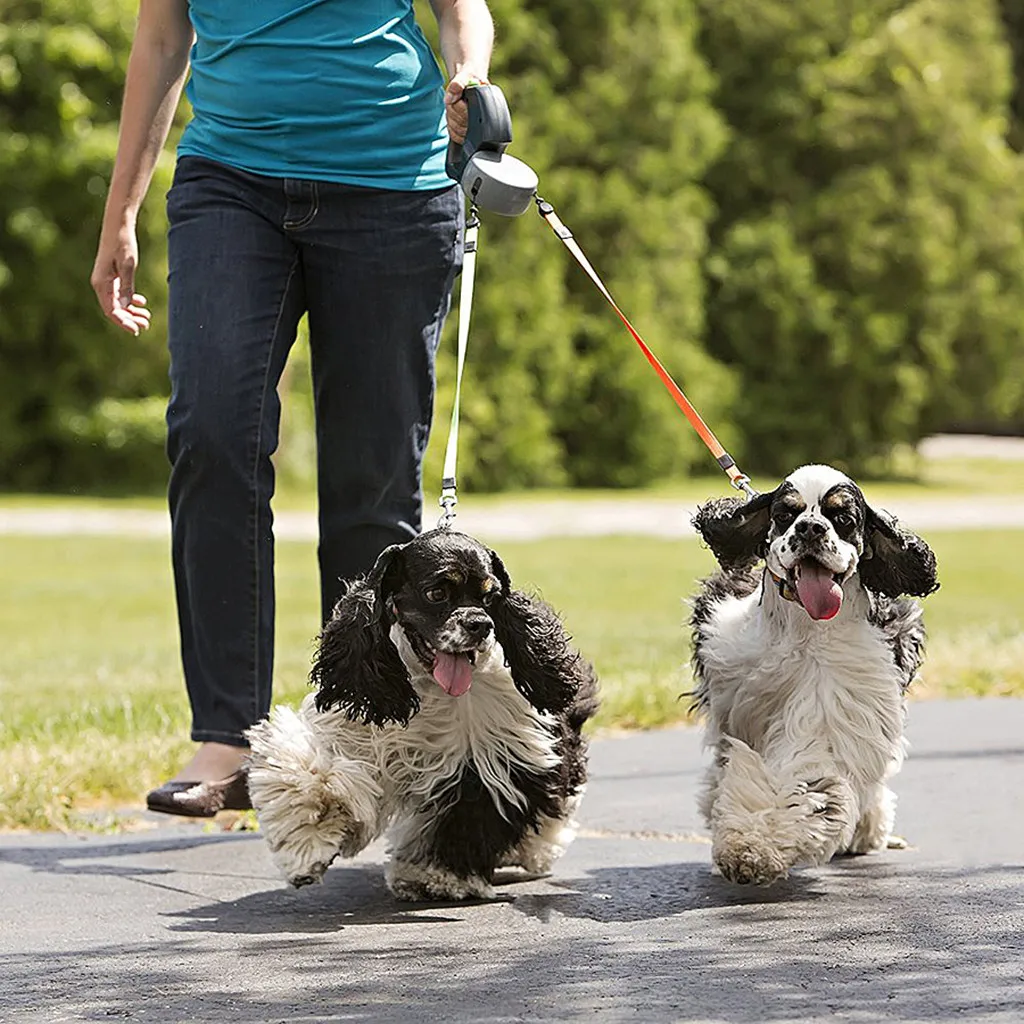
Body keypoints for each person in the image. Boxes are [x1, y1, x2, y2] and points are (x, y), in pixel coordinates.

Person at [90, 0, 494, 816]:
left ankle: (355, 734)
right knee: (210, 432)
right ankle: (228, 735)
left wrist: (469, 78)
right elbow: (164, 37)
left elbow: (461, 10)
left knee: (371, 484)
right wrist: (121, 212)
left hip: (393, 191)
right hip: (230, 184)